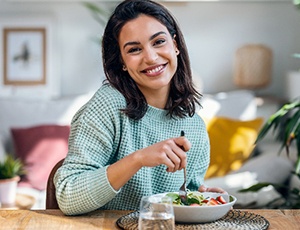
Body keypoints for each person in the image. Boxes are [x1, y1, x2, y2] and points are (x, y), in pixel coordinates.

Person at [54, 0, 225, 216]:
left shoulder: (195, 127)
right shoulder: (107, 106)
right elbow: (68, 196)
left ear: (175, 45)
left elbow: (184, 195)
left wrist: (200, 198)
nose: (151, 57)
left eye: (159, 42)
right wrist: (138, 159)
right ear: (123, 62)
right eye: (134, 49)